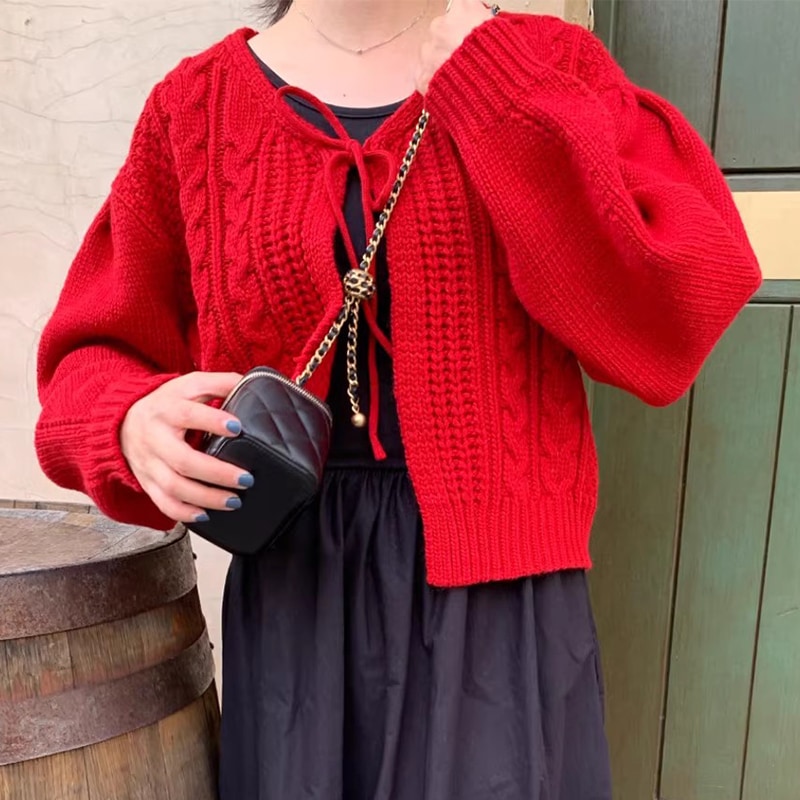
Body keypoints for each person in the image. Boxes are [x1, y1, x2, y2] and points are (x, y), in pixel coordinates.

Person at [35, 0, 762, 797]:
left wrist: (497, 88)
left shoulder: (546, 64)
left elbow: (676, 311)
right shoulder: (195, 108)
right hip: (296, 611)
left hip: (501, 609)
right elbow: (89, 359)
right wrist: (129, 421)